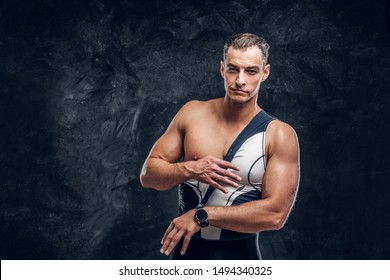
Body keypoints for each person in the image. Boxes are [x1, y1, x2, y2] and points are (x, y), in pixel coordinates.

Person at [140, 33, 300, 260]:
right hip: (187, 254)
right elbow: (149, 176)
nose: (240, 80)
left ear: (265, 73)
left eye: (251, 71)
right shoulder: (192, 114)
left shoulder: (279, 135)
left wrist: (201, 216)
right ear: (222, 69)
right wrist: (189, 169)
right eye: (233, 69)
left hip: (240, 257)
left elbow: (276, 215)